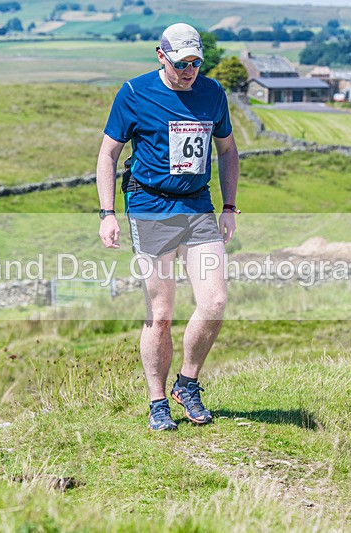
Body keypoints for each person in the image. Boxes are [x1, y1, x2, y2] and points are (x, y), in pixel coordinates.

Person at [96, 23, 239, 431]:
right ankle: (157, 401)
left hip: (198, 206)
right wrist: (108, 214)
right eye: (181, 64)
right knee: (160, 315)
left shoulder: (213, 93)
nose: (189, 70)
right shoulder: (135, 93)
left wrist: (229, 205)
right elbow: (108, 155)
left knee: (214, 304)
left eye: (196, 62)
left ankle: (187, 383)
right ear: (161, 57)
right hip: (149, 207)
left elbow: (227, 150)